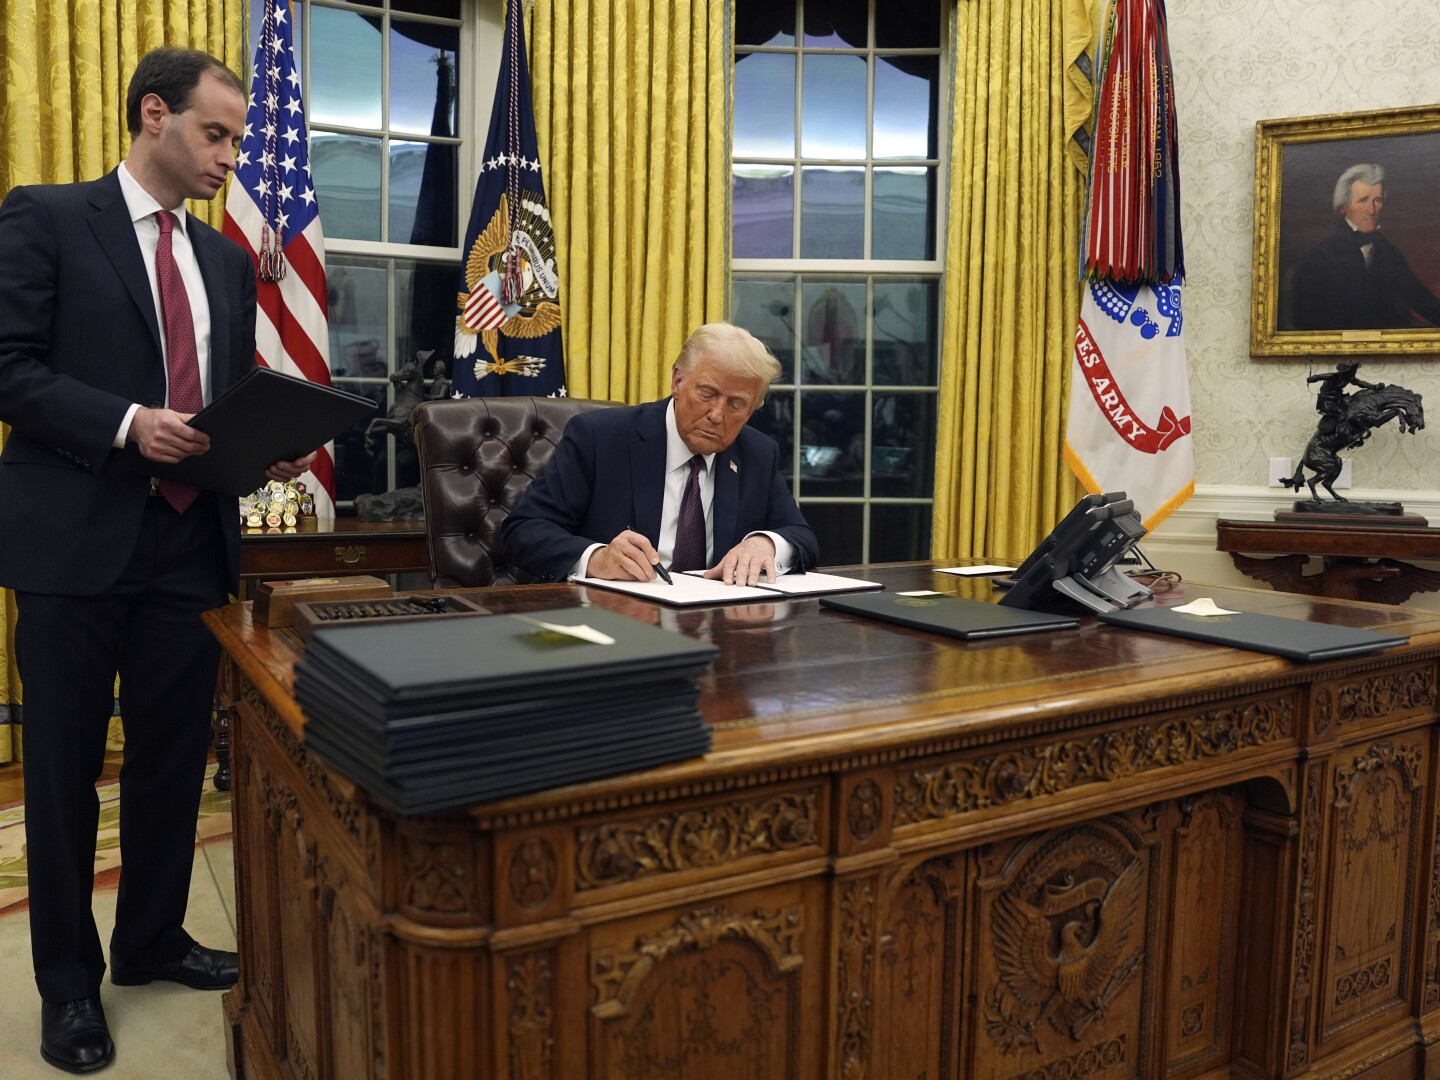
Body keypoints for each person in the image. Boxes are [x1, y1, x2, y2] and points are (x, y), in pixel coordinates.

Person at [0, 48, 317, 1073]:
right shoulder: (48, 217)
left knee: (174, 765)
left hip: (189, 543)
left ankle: (149, 940)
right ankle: (67, 986)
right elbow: (8, 368)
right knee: (62, 775)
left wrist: (268, 438)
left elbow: (219, 398)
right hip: (74, 538)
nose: (231, 155)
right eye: (216, 134)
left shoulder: (223, 260)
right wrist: (127, 422)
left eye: (236, 138)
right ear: (154, 115)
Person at [502, 322, 819, 585]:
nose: (716, 415)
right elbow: (524, 530)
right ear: (677, 381)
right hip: (616, 619)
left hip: (720, 621)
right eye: (706, 394)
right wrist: (597, 558)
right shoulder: (600, 438)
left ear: (751, 411)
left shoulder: (757, 453)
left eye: (736, 404)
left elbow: (801, 536)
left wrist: (766, 543)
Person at [1285, 163, 1440, 330]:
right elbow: (1307, 322)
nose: (1372, 210)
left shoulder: (1389, 252)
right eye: (1363, 200)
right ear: (1343, 207)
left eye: (1377, 200)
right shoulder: (1318, 258)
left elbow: (1420, 298)